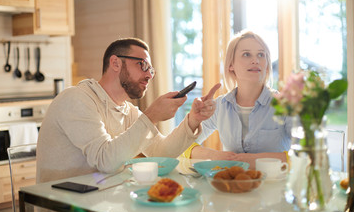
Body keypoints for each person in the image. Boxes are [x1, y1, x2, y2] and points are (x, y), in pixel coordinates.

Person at [36, 37, 221, 183]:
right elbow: (106, 161)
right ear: (116, 63)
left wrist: (192, 120)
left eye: (151, 70)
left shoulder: (129, 111)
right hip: (63, 207)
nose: (149, 75)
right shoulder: (76, 99)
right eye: (143, 65)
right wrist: (152, 115)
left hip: (102, 202)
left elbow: (161, 153)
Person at [182, 30, 292, 168]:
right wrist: (215, 156)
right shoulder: (219, 106)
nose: (255, 60)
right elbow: (183, 147)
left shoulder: (286, 105)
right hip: (231, 187)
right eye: (246, 54)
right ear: (231, 65)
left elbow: (304, 154)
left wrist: (247, 160)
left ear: (267, 64)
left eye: (261, 55)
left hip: (275, 187)